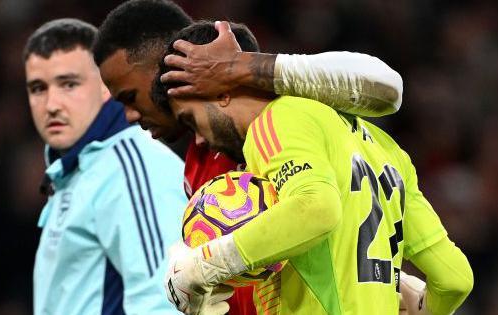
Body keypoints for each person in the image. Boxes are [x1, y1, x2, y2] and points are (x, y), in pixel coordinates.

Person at [93, 1, 404, 314]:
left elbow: (386, 86)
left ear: (174, 65)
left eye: (130, 97)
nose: (130, 116)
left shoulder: (291, 112)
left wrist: (239, 66)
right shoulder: (198, 160)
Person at [153, 21, 474, 315]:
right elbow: (455, 277)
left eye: (190, 120)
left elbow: (317, 208)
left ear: (221, 92)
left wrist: (205, 266)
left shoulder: (274, 122)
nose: (196, 139)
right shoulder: (386, 147)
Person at [23, 18, 187, 314]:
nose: (51, 104)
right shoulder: (75, 171)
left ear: (105, 85)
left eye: (68, 84)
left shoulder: (133, 168)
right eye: (38, 88)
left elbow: (165, 301)